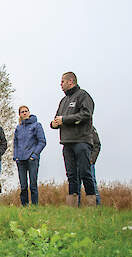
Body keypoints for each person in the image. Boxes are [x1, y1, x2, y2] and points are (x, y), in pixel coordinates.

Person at [51, 72, 96, 207]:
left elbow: (86, 114)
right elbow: (58, 117)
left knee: (85, 173)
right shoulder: (63, 101)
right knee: (71, 175)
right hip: (67, 142)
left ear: (71, 81)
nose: (61, 84)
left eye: (62, 82)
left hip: (81, 141)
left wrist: (65, 120)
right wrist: (54, 123)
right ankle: (72, 207)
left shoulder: (83, 95)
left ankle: (90, 206)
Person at [13, 105, 46, 206]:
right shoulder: (18, 128)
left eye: (26, 111)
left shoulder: (36, 125)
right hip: (21, 160)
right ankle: (24, 206)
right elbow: (15, 143)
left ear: (29, 112)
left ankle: (35, 206)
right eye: (22, 112)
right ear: (19, 114)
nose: (24, 113)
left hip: (32, 159)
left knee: (33, 185)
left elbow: (42, 141)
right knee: (23, 186)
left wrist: (35, 155)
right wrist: (16, 157)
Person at [78, 126, 101, 205]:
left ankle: (95, 205)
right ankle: (75, 207)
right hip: (76, 162)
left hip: (88, 162)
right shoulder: (73, 128)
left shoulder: (90, 128)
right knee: (76, 184)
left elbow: (97, 145)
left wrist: (91, 160)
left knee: (91, 183)